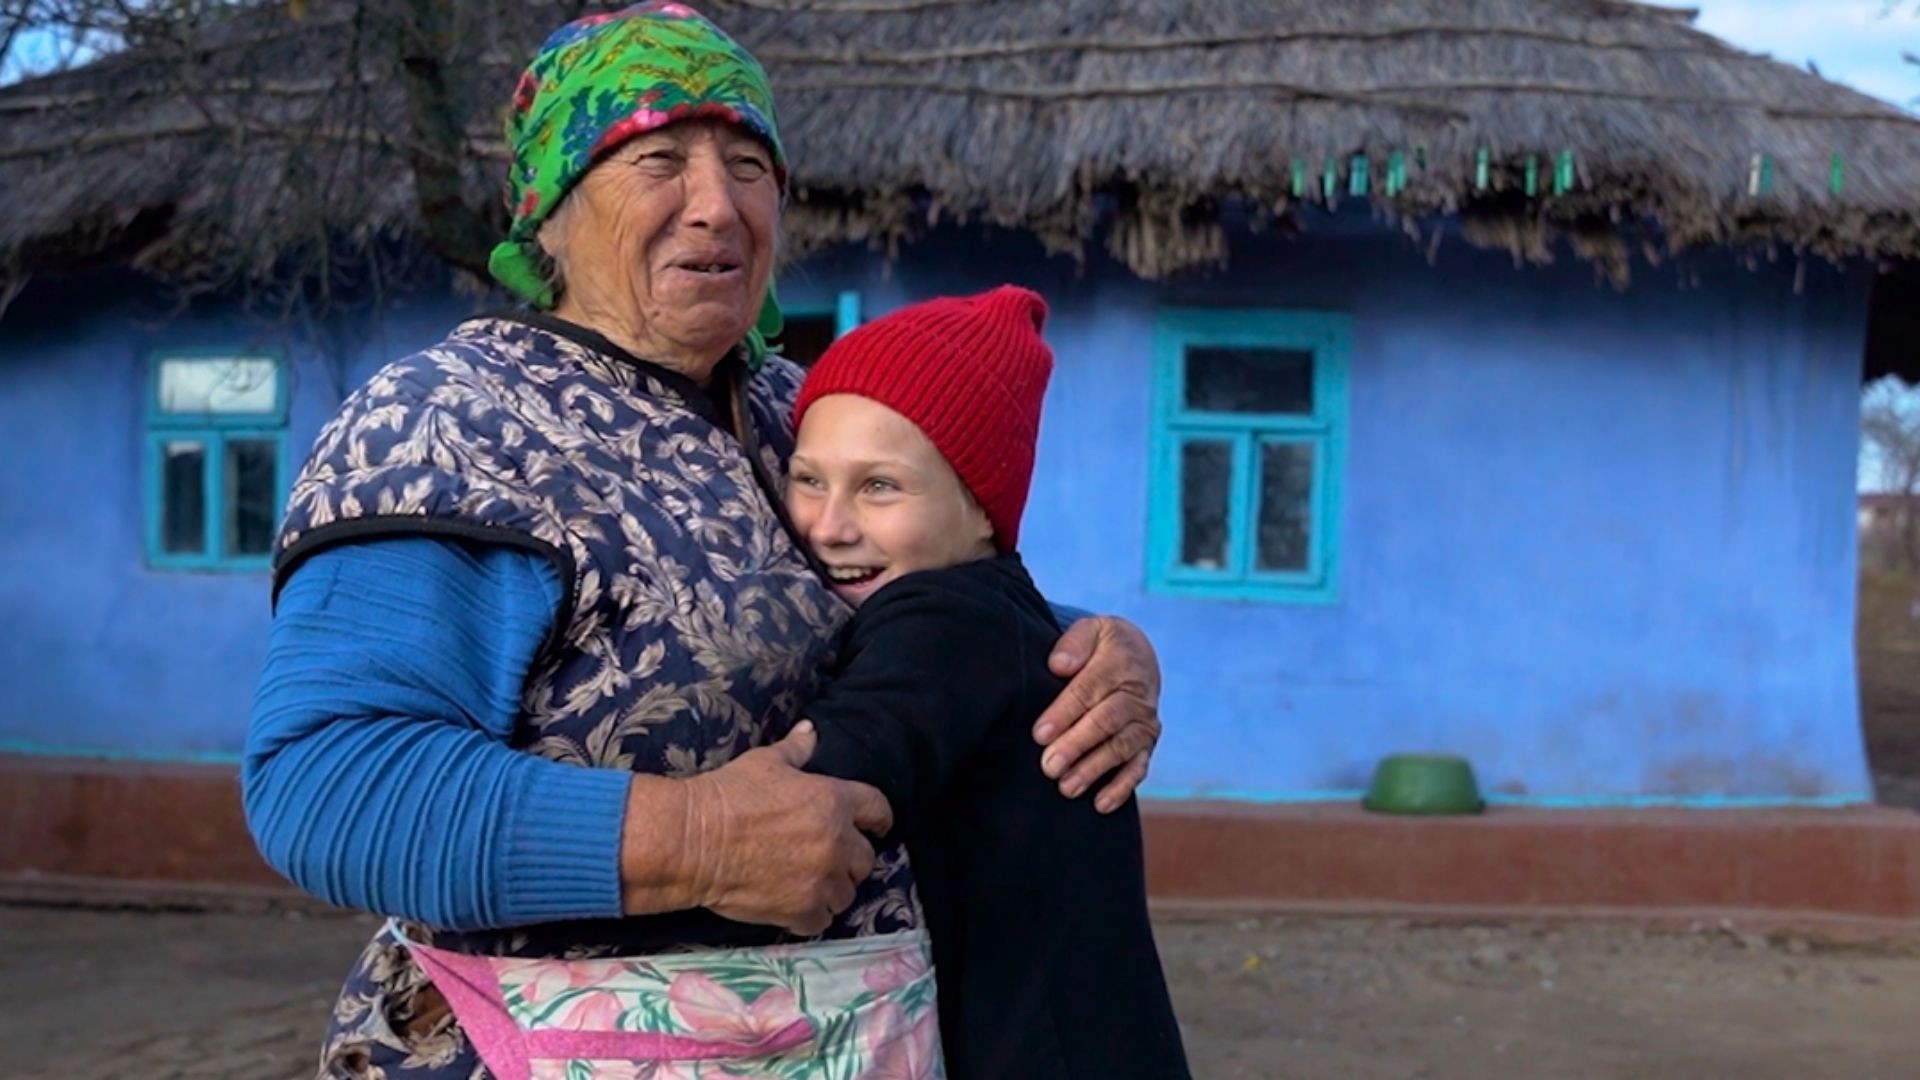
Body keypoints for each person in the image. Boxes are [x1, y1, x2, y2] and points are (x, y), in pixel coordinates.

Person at [239, 4, 1164, 1077]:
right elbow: (328, 781)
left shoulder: (803, 410)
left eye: (748, 164)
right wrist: (698, 841)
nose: (717, 207)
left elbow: (913, 603)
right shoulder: (451, 426)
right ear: (550, 210)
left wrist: (1087, 648)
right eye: (658, 161)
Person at [791, 285, 1192, 1078]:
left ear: (982, 510)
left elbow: (815, 795)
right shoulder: (1004, 617)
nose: (828, 525)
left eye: (880, 487)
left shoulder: (938, 623)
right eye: (808, 479)